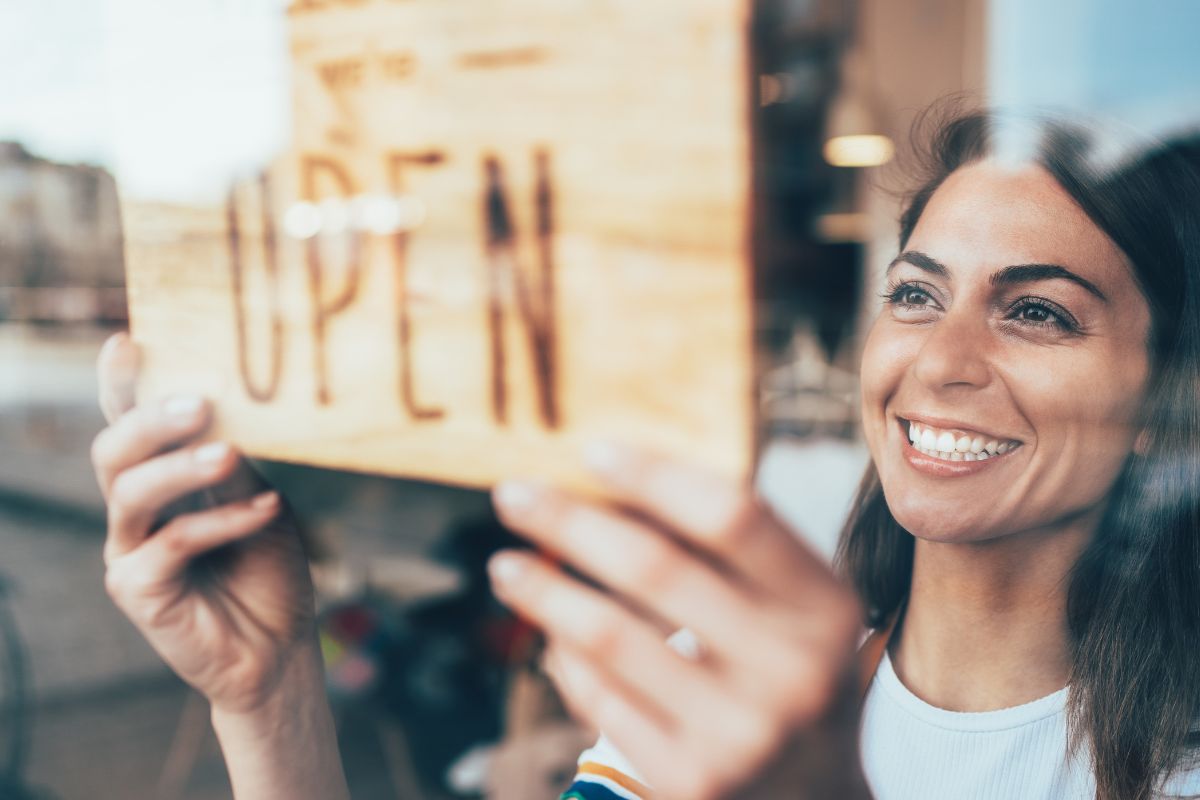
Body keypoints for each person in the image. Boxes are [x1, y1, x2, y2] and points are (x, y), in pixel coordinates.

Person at [90, 107, 1200, 800]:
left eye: (1039, 313)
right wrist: (271, 690)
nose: (940, 360)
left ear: (1163, 395)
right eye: (916, 293)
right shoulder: (713, 677)